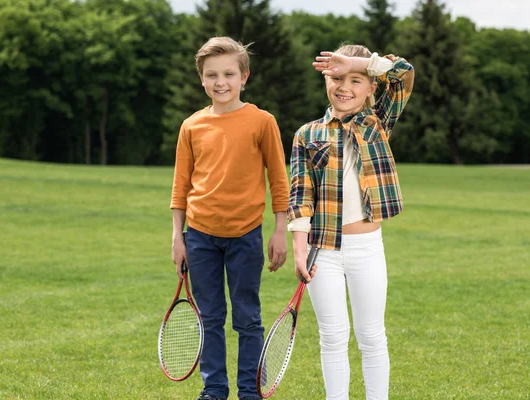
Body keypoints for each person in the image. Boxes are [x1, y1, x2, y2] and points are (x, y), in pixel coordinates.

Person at [287, 44, 414, 400]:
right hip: (321, 250)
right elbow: (299, 196)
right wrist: (300, 248)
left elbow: (403, 73)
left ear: (372, 86)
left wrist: (362, 63)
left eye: (356, 79)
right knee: (333, 335)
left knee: (372, 335)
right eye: (337, 77)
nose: (345, 86)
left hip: (367, 248)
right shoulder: (307, 135)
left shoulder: (378, 123)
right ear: (325, 80)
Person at [170, 36, 289, 400]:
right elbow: (181, 186)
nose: (220, 82)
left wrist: (280, 230)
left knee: (248, 318)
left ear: (244, 77)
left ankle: (250, 392)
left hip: (246, 236)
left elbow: (278, 180)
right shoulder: (191, 126)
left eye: (228, 74)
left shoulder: (262, 121)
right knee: (209, 318)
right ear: (202, 80)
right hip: (200, 236)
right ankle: (214, 390)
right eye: (212, 75)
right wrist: (178, 237)